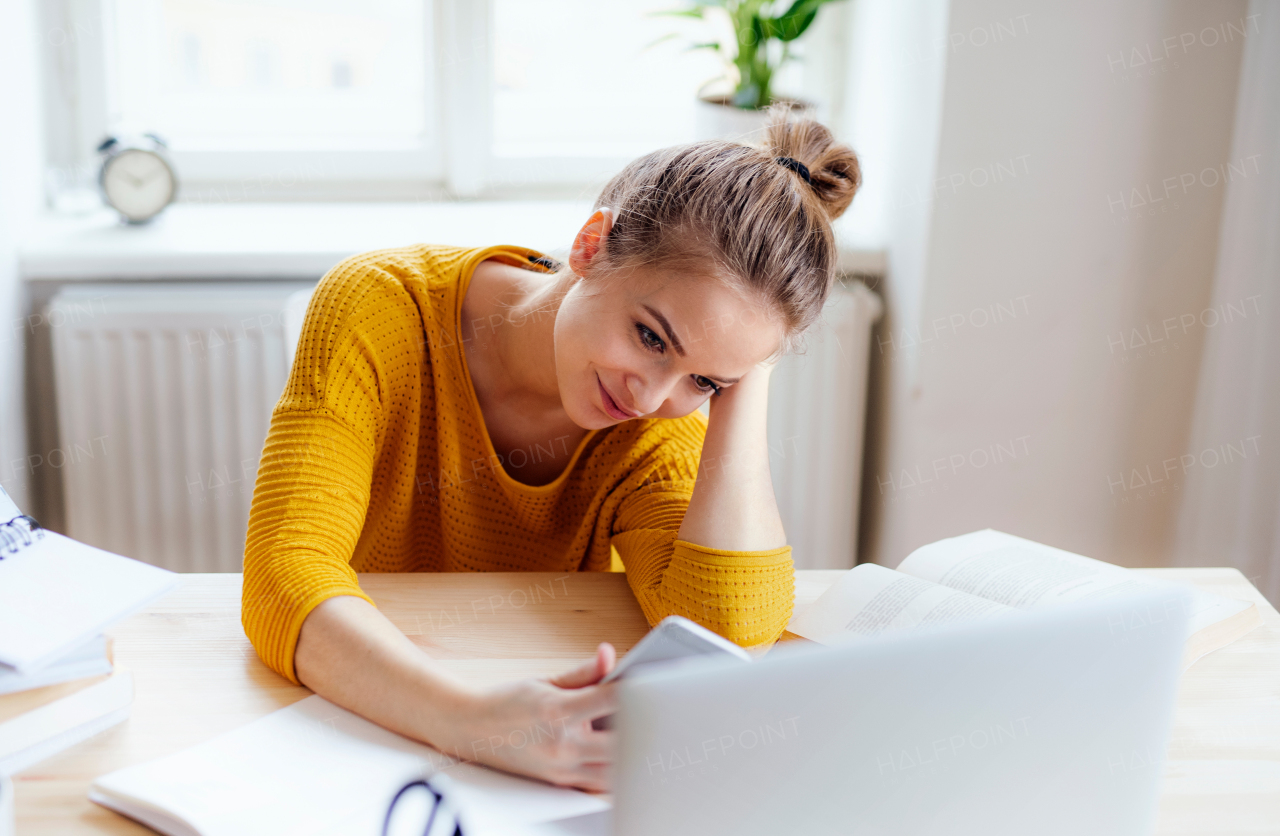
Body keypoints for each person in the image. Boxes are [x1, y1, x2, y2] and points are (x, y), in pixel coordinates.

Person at [241, 108, 861, 793]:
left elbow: (730, 630)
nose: (652, 397)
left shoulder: (655, 416)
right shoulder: (379, 305)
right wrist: (473, 722)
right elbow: (282, 574)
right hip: (353, 725)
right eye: (652, 337)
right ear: (591, 245)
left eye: (704, 380)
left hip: (522, 748)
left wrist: (748, 371)